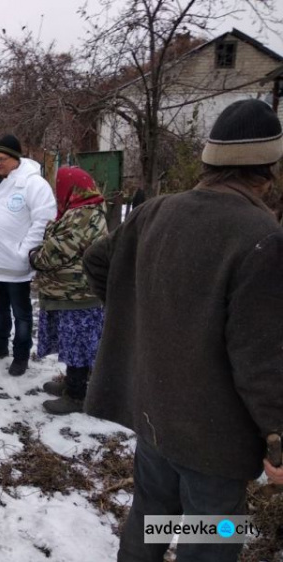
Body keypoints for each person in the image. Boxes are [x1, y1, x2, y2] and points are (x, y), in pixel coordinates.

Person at [82, 98, 283, 562]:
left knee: (151, 518)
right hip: (215, 438)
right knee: (211, 539)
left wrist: (138, 320)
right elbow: (261, 358)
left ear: (210, 160)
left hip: (153, 412)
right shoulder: (262, 236)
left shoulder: (156, 211)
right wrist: (277, 437)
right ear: (267, 168)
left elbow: (97, 260)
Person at [0, 134, 56, 376]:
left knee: (21, 313)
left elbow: (44, 221)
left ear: (16, 159)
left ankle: (21, 355)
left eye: (2, 158)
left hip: (16, 265)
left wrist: (24, 252)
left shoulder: (33, 184)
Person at [30, 166, 108, 415]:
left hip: (77, 294)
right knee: (77, 343)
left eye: (60, 186)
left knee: (78, 344)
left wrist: (34, 257)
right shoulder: (83, 211)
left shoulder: (82, 216)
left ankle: (76, 395)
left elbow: (55, 252)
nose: (57, 192)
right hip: (74, 292)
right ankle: (76, 382)